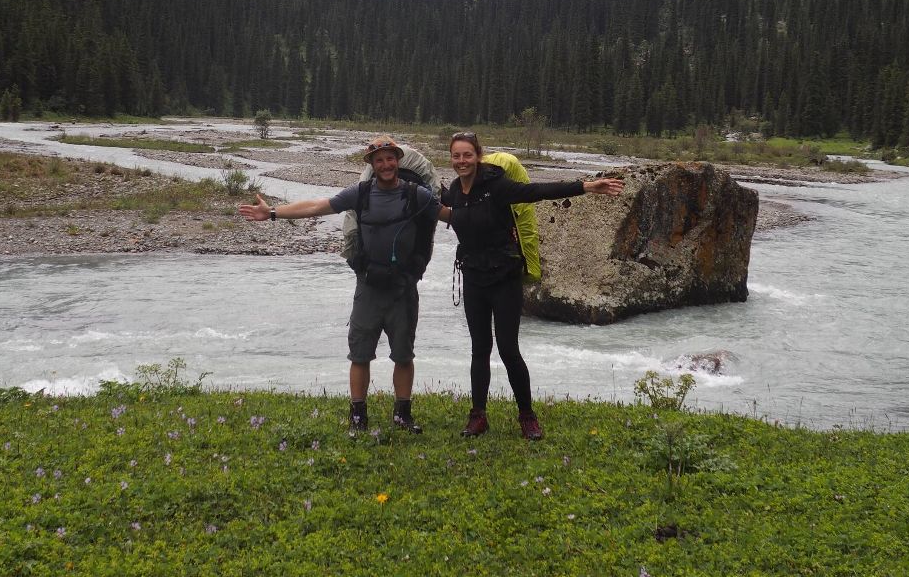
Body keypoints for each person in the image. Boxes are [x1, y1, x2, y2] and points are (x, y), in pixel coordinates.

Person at [239, 135, 444, 435]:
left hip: (403, 287)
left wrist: (490, 222)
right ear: (372, 165)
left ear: (398, 161)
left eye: (390, 159)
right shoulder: (359, 194)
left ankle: (403, 415)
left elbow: (449, 215)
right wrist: (272, 213)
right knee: (360, 354)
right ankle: (358, 417)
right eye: (379, 160)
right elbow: (317, 206)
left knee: (403, 354)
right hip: (369, 286)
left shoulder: (418, 195)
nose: (386, 165)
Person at [442, 131, 624, 440]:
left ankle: (527, 416)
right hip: (474, 277)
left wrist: (586, 186)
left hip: (504, 277)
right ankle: (478, 416)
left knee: (509, 349)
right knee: (479, 348)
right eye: (457, 156)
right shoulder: (454, 192)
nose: (462, 161)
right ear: (452, 158)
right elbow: (443, 211)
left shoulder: (496, 186)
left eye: (467, 155)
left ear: (478, 156)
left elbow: (537, 190)